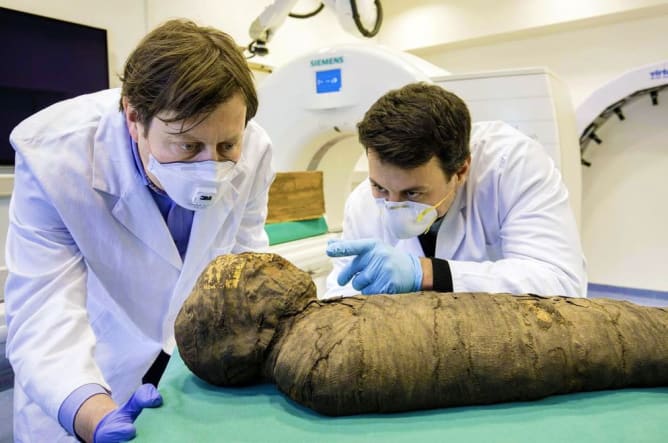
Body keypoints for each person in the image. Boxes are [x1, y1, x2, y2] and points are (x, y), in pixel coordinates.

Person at [4, 19, 274, 442]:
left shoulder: (254, 147)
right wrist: (90, 415)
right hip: (91, 368)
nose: (211, 166)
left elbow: (246, 264)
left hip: (189, 366)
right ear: (134, 117)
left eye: (226, 147)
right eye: (187, 146)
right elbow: (43, 309)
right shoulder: (56, 154)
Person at [325, 82, 586, 299]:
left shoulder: (511, 166)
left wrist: (427, 273)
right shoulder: (362, 202)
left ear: (460, 171)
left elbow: (560, 284)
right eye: (379, 187)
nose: (393, 205)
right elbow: (341, 295)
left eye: (413, 193)